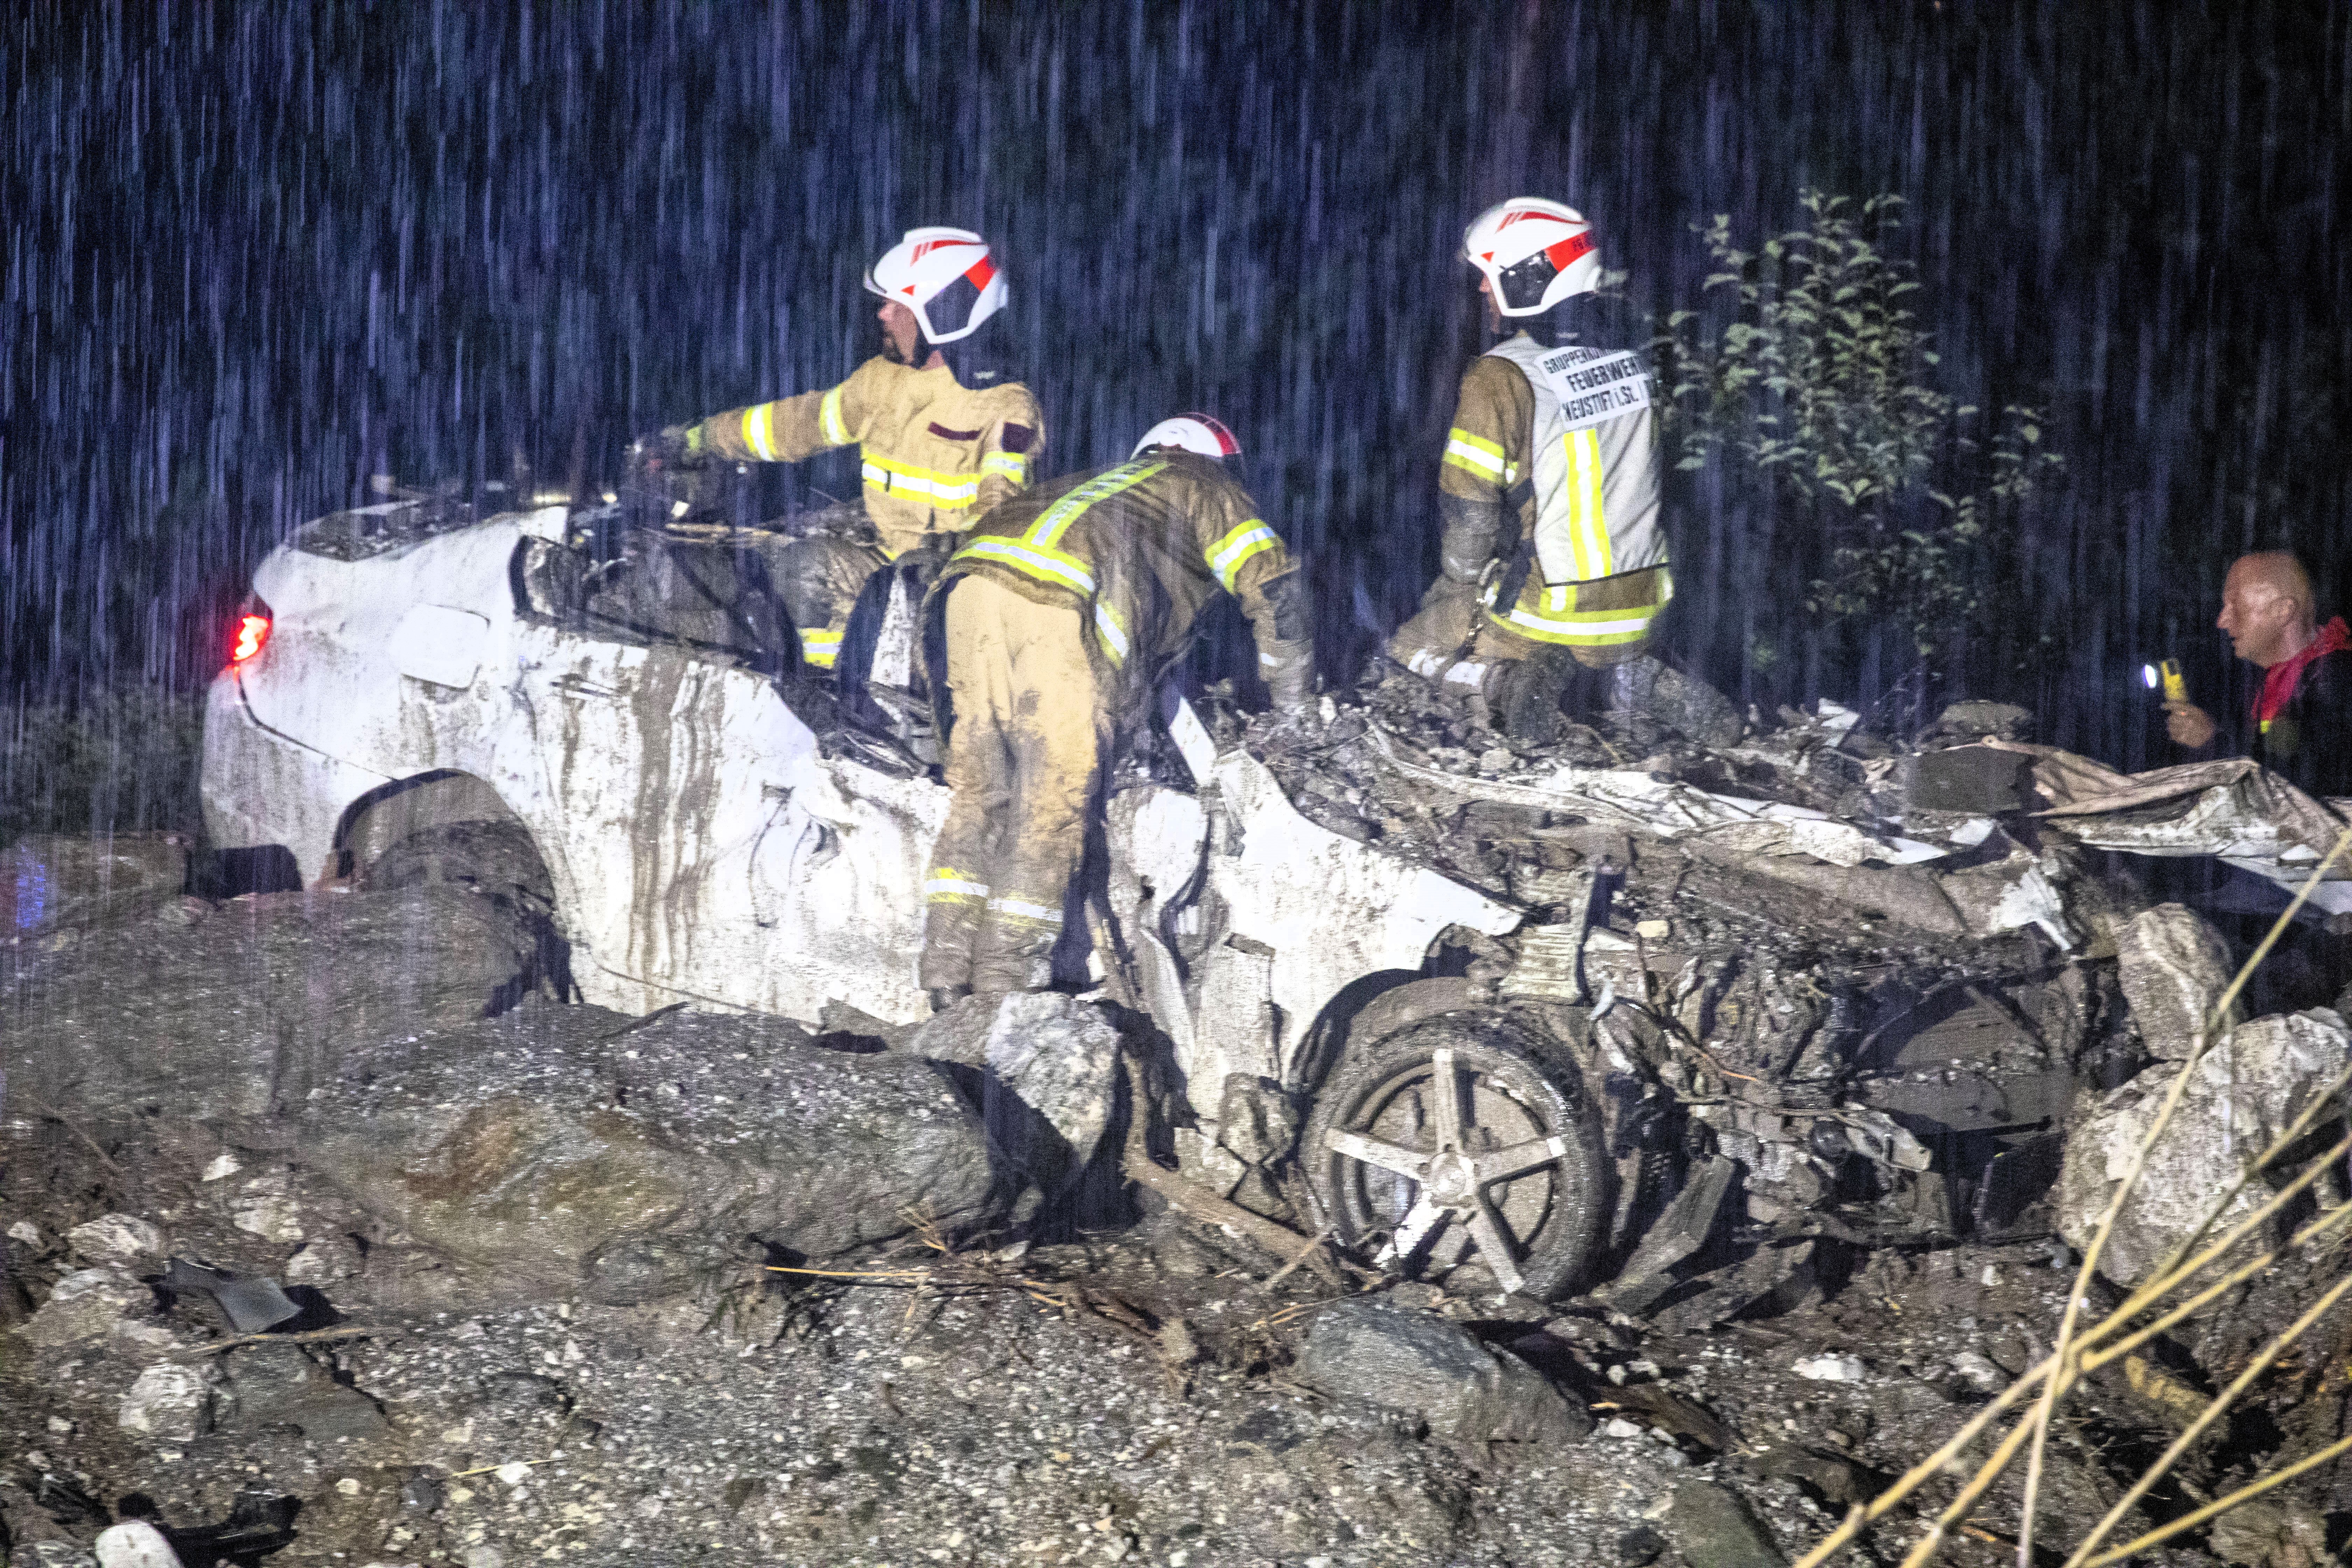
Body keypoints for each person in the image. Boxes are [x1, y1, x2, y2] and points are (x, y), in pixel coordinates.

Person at [919, 415, 1312, 1006]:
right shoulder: (1209, 486)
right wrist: (1296, 703)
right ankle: (1002, 994)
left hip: (973, 587)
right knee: (1049, 804)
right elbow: (1277, 590)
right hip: (1060, 607)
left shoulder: (1098, 480)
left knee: (980, 792)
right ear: (1219, 461)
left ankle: (945, 974)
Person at [653, 226, 1043, 671]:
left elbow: (1003, 506)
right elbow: (795, 425)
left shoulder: (1005, 407)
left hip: (947, 589)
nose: (883, 313)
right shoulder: (881, 381)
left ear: (946, 312)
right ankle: (825, 694)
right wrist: (699, 439)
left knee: (902, 607)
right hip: (886, 565)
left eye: (899, 304)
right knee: (806, 567)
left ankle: (883, 708)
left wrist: (960, 552)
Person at [1386, 198, 1679, 742]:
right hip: (1644, 601)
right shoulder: (1633, 362)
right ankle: (1626, 678)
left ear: (1532, 279)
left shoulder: (1497, 378)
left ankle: (1503, 681)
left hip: (1554, 604)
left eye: (1490, 277)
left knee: (1406, 653)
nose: (1481, 291)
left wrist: (1453, 593)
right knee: (1583, 638)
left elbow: (1471, 517)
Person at [2166, 551, 2351, 798]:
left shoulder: (2337, 679)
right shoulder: (2270, 680)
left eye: (2237, 607)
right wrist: (2204, 739)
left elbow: (2305, 784)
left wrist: (2213, 741)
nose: (2222, 621)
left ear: (2283, 611)